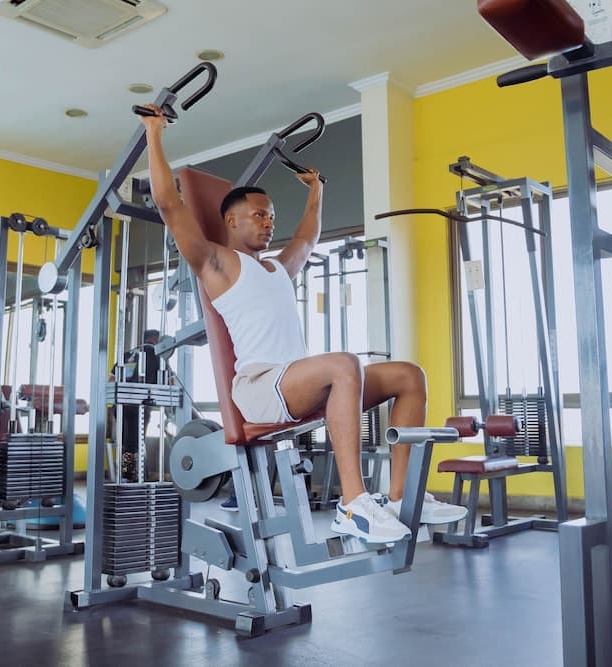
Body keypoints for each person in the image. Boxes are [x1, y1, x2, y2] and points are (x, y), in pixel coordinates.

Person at [140, 105, 466, 543]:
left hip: (297, 383)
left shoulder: (277, 269)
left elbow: (308, 237)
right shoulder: (216, 263)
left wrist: (317, 190)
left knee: (408, 375)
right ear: (231, 220)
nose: (269, 222)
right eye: (259, 215)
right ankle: (352, 504)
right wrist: (154, 132)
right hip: (261, 387)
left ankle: (401, 495)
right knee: (343, 363)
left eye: (272, 215)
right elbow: (169, 204)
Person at [114, 329, 161, 480]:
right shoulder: (157, 356)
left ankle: (129, 474)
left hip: (120, 406)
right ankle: (130, 476)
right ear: (156, 339)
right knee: (135, 443)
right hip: (139, 406)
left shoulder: (127, 355)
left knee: (126, 441)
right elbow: (170, 381)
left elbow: (111, 379)